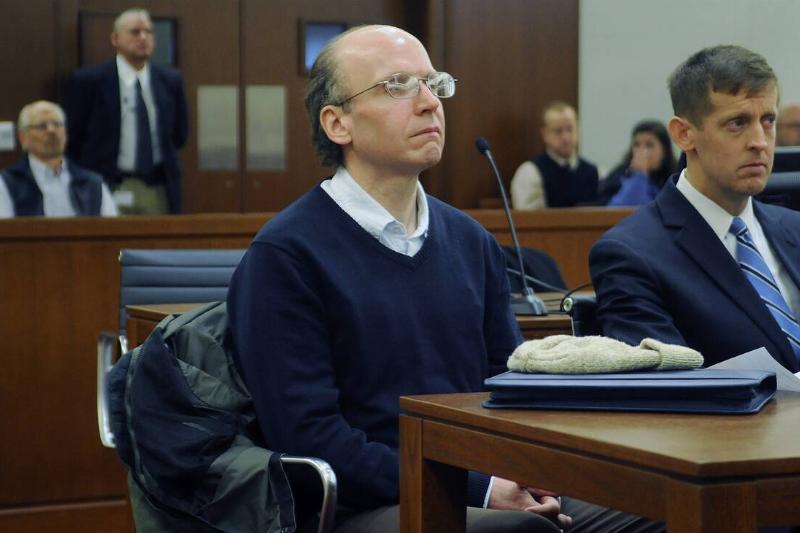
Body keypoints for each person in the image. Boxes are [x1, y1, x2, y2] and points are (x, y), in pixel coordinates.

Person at [228, 24, 659, 533]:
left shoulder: (471, 240)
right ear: (337, 123)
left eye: (435, 84)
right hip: (363, 503)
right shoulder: (287, 254)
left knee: (671, 508)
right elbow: (309, 438)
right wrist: (481, 488)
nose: (430, 103)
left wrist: (523, 475)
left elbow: (507, 390)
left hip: (487, 481)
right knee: (522, 531)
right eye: (398, 86)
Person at [590, 45, 800, 373]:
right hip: (738, 423)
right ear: (684, 134)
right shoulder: (631, 254)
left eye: (768, 120)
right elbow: (666, 391)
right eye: (737, 123)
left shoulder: (794, 229)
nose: (759, 141)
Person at [64, 8, 188, 215]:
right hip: (106, 184)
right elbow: (73, 137)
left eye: (148, 32)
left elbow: (179, 135)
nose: (143, 37)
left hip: (156, 187)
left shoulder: (170, 81)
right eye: (135, 32)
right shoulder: (89, 81)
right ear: (115, 38)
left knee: (157, 243)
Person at [0, 101, 117, 218]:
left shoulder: (92, 184)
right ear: (22, 137)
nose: (51, 131)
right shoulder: (7, 183)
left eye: (57, 124)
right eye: (42, 126)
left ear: (66, 133)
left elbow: (111, 230)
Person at [510, 102, 599, 209]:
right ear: (544, 134)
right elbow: (528, 220)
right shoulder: (531, 172)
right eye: (558, 131)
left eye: (570, 129)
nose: (565, 137)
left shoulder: (594, 171)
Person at [599, 120, 676, 206]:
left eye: (649, 145)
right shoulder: (618, 177)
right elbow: (615, 212)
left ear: (664, 150)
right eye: (637, 145)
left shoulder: (676, 179)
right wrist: (639, 175)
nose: (641, 151)